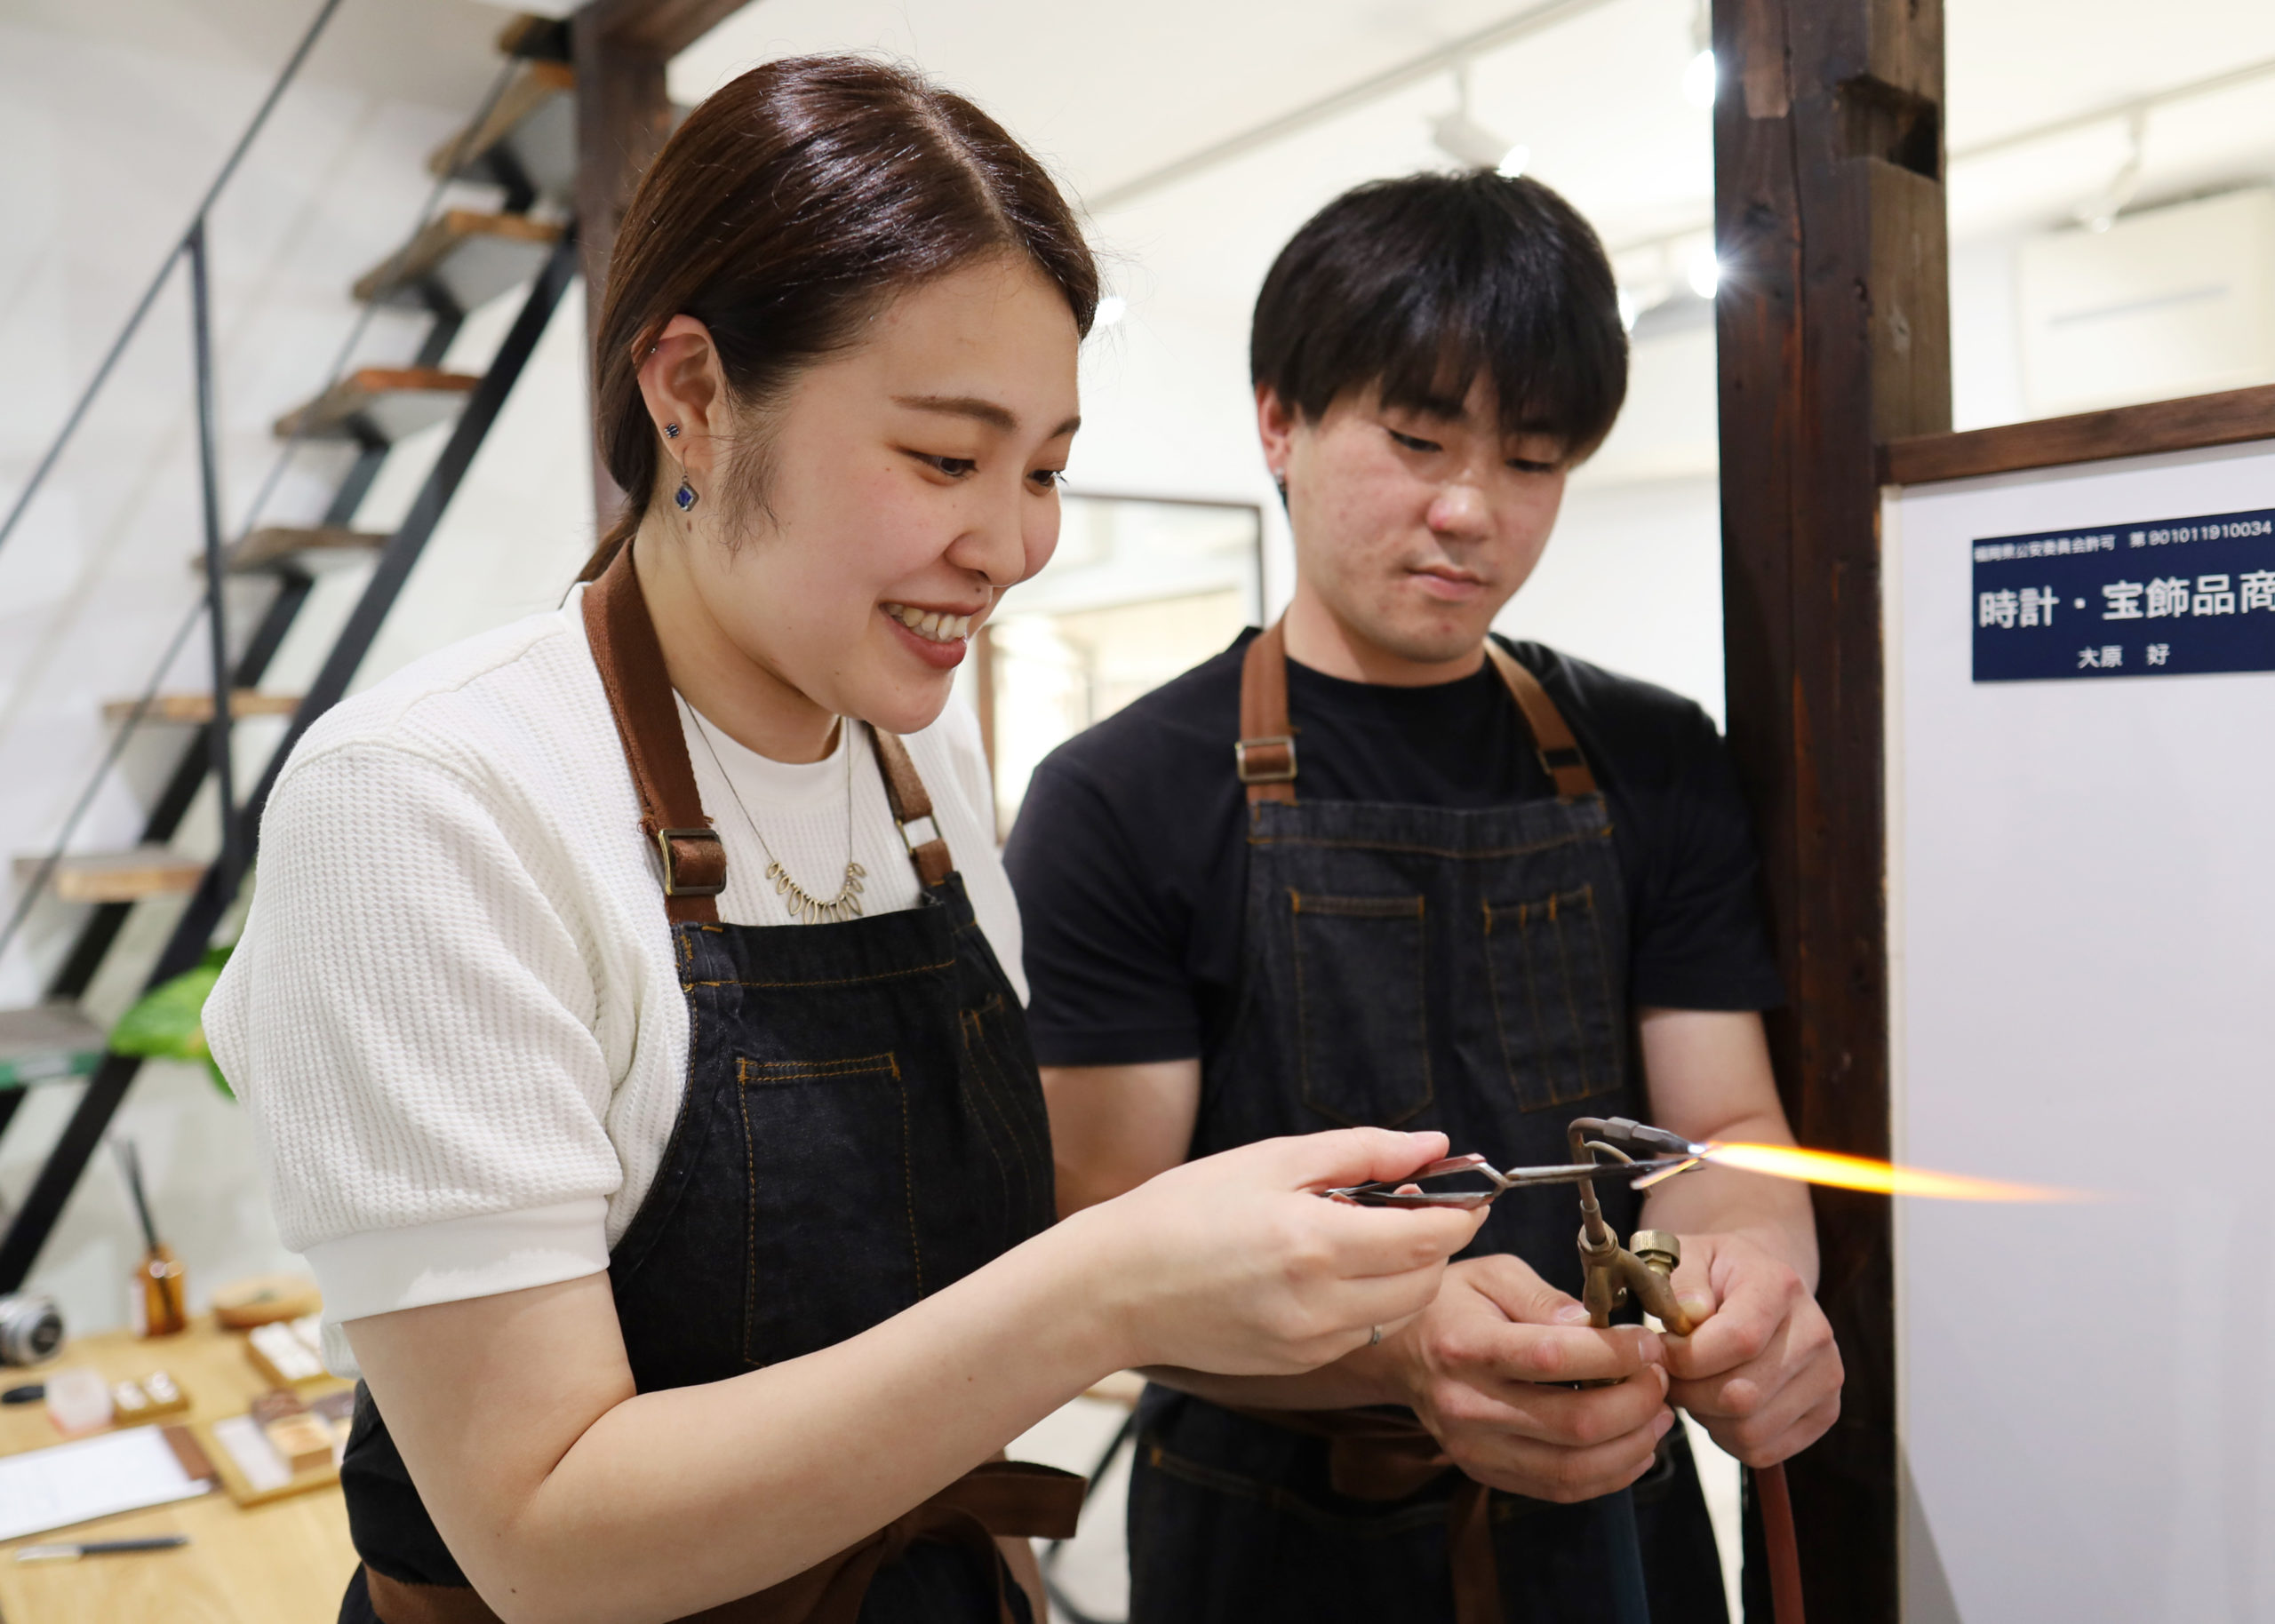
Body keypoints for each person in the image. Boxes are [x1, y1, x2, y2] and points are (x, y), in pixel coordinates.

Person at [206, 60, 1487, 1624]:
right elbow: (544, 1535)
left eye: (1046, 470)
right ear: (690, 393)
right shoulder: (432, 802)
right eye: (946, 459)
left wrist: (1390, 1326)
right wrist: (1111, 1287)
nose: (1013, 544)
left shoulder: (916, 757)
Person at [1004, 171, 1844, 1622]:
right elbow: (1106, 1246)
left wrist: (1754, 1285)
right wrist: (1397, 1350)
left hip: (1615, 1505)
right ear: (1280, 419)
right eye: (1412, 439)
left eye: (1531, 461)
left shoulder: (1651, 759)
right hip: (1275, 1515)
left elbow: (1721, 1128)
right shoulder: (1121, 793)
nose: (1470, 510)